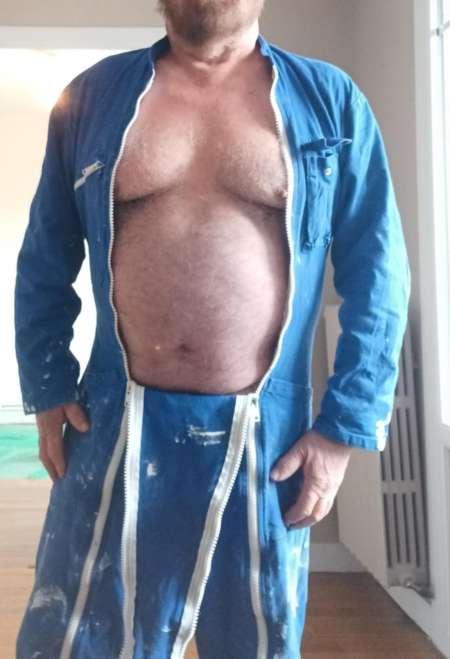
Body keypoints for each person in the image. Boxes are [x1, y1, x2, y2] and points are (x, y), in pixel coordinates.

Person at [14, 1, 411, 657]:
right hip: (111, 428)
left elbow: (379, 274)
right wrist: (49, 382)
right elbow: (44, 257)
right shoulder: (91, 100)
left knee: (255, 643)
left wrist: (344, 428)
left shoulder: (331, 103)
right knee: (79, 641)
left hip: (269, 440)